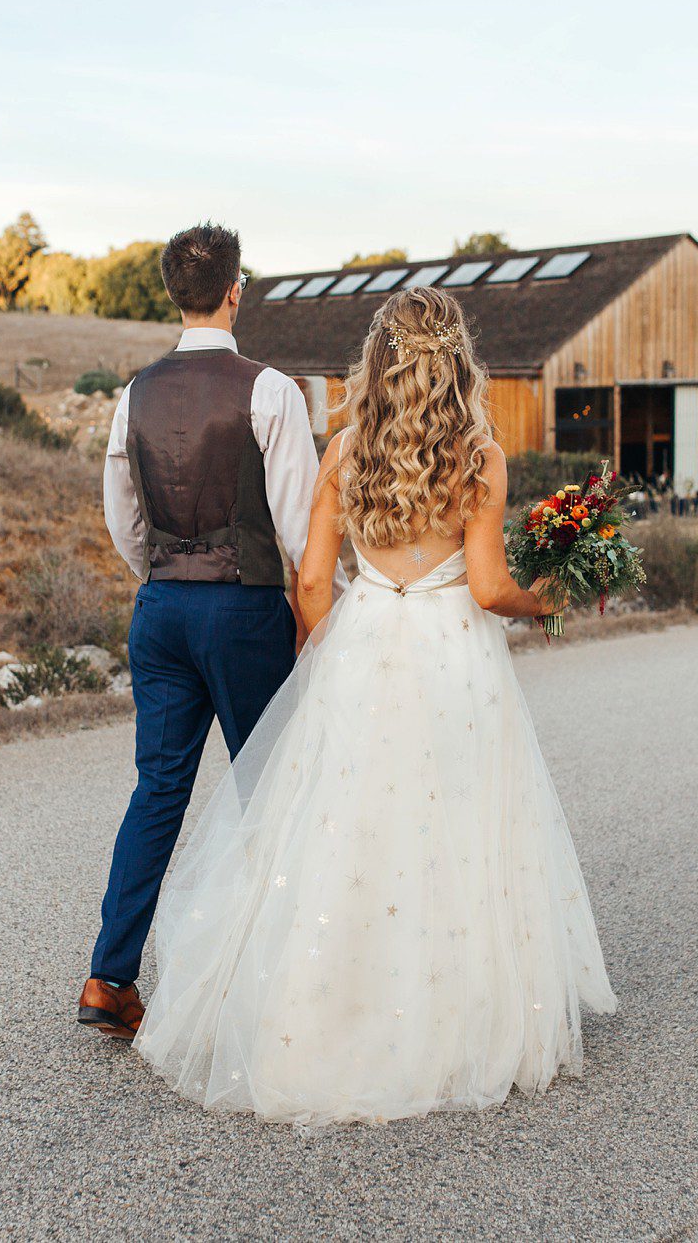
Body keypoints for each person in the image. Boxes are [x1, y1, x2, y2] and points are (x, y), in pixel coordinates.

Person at [132, 285, 616, 1125]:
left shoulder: (348, 449)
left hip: (364, 643)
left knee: (348, 831)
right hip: (453, 655)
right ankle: (450, 1012)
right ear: (458, 364)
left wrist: (332, 650)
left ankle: (325, 1010)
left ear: (378, 364)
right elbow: (493, 585)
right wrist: (550, 600)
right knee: (453, 828)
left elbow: (312, 581)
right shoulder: (479, 456)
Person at [78, 222, 323, 1039]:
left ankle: (108, 978)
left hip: (160, 608)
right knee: (273, 789)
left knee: (157, 791)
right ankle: (284, 976)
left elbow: (122, 519)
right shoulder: (272, 390)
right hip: (244, 607)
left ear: (171, 291)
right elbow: (298, 524)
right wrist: (319, 609)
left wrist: (163, 571)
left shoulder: (134, 393)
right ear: (235, 288)